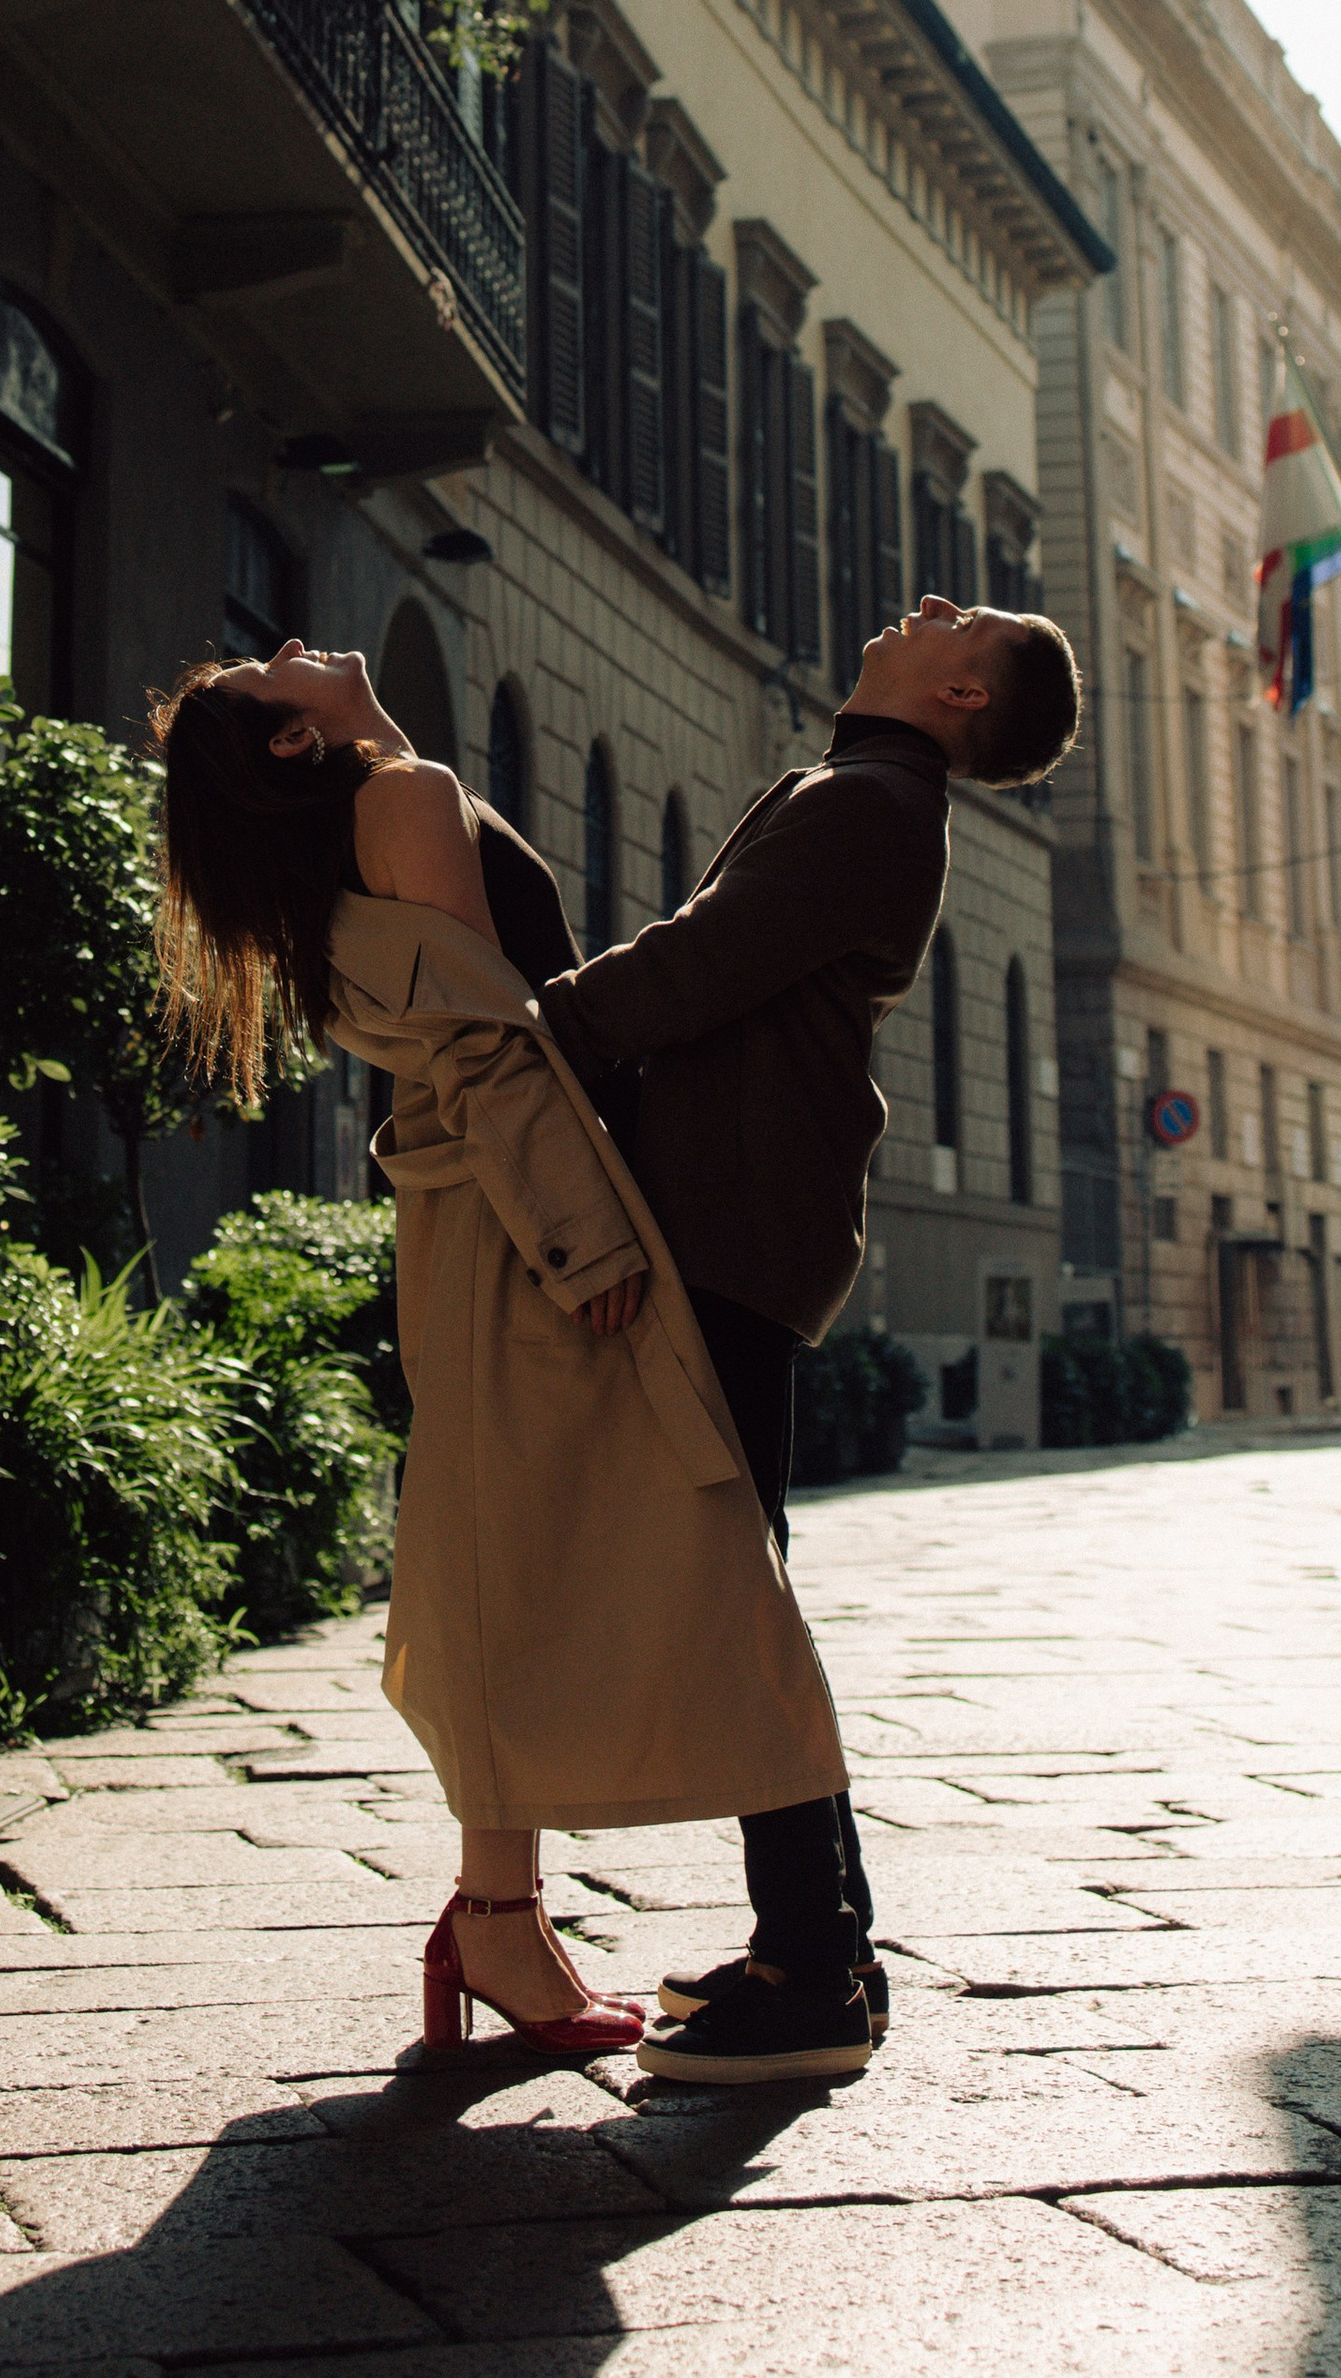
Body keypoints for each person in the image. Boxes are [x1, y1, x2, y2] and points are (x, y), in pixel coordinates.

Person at [153, 636, 848, 2067]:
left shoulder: (384, 802)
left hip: (489, 1218)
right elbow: (496, 1043)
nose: (295, 646)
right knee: (637, 1548)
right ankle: (575, 1918)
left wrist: (378, 729)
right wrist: (587, 1242)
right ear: (293, 744)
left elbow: (469, 977)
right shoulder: (401, 797)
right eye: (273, 672)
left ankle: (500, 1913)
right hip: (540, 1219)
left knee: (503, 1550)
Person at [539, 594, 1082, 2087]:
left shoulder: (870, 802)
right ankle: (816, 1944)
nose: (921, 607)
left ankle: (818, 1965)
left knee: (734, 1594)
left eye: (953, 617)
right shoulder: (865, 793)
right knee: (736, 1583)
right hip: (738, 1220)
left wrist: (522, 1037)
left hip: (729, 1227)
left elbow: (698, 961)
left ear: (963, 687)